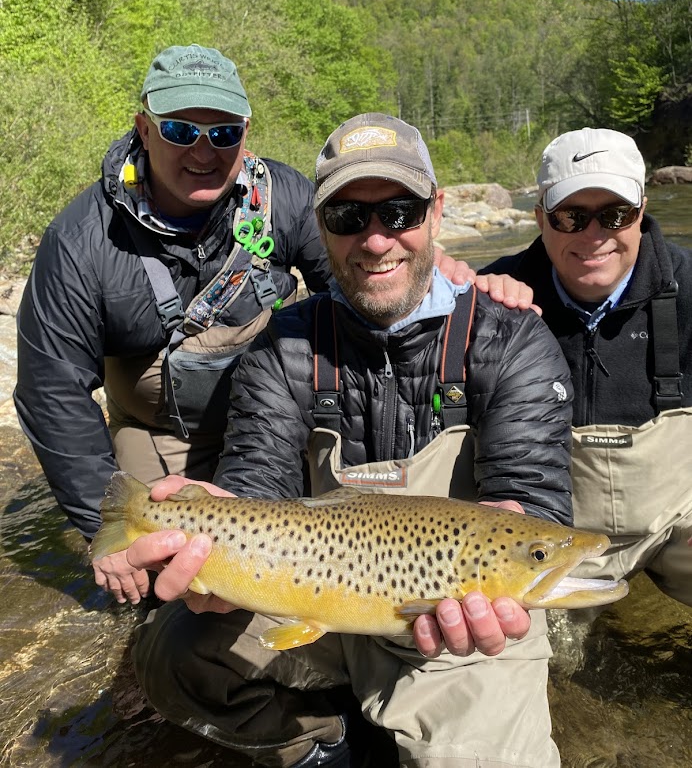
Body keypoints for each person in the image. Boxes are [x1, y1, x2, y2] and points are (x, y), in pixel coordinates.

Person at [97, 113, 575, 768]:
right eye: (349, 216)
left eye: (399, 211)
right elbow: (256, 486)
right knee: (171, 658)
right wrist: (212, 540)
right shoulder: (286, 342)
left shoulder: (510, 337)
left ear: (436, 212)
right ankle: (325, 746)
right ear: (321, 227)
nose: (375, 241)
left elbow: (537, 502)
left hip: (464, 624)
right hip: (310, 590)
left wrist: (525, 533)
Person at [13, 44, 521, 604]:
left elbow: (363, 282)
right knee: (173, 589)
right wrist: (99, 529)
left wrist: (435, 279)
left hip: (279, 418)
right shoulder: (82, 240)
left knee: (329, 569)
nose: (204, 152)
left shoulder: (285, 199)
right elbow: (52, 390)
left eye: (224, 133)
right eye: (182, 131)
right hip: (168, 436)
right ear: (144, 126)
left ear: (246, 131)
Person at [482, 127, 692, 608]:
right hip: (544, 543)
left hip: (676, 527)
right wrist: (448, 278)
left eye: (614, 215)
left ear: (640, 213)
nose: (594, 236)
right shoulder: (492, 296)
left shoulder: (690, 290)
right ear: (540, 218)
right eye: (572, 217)